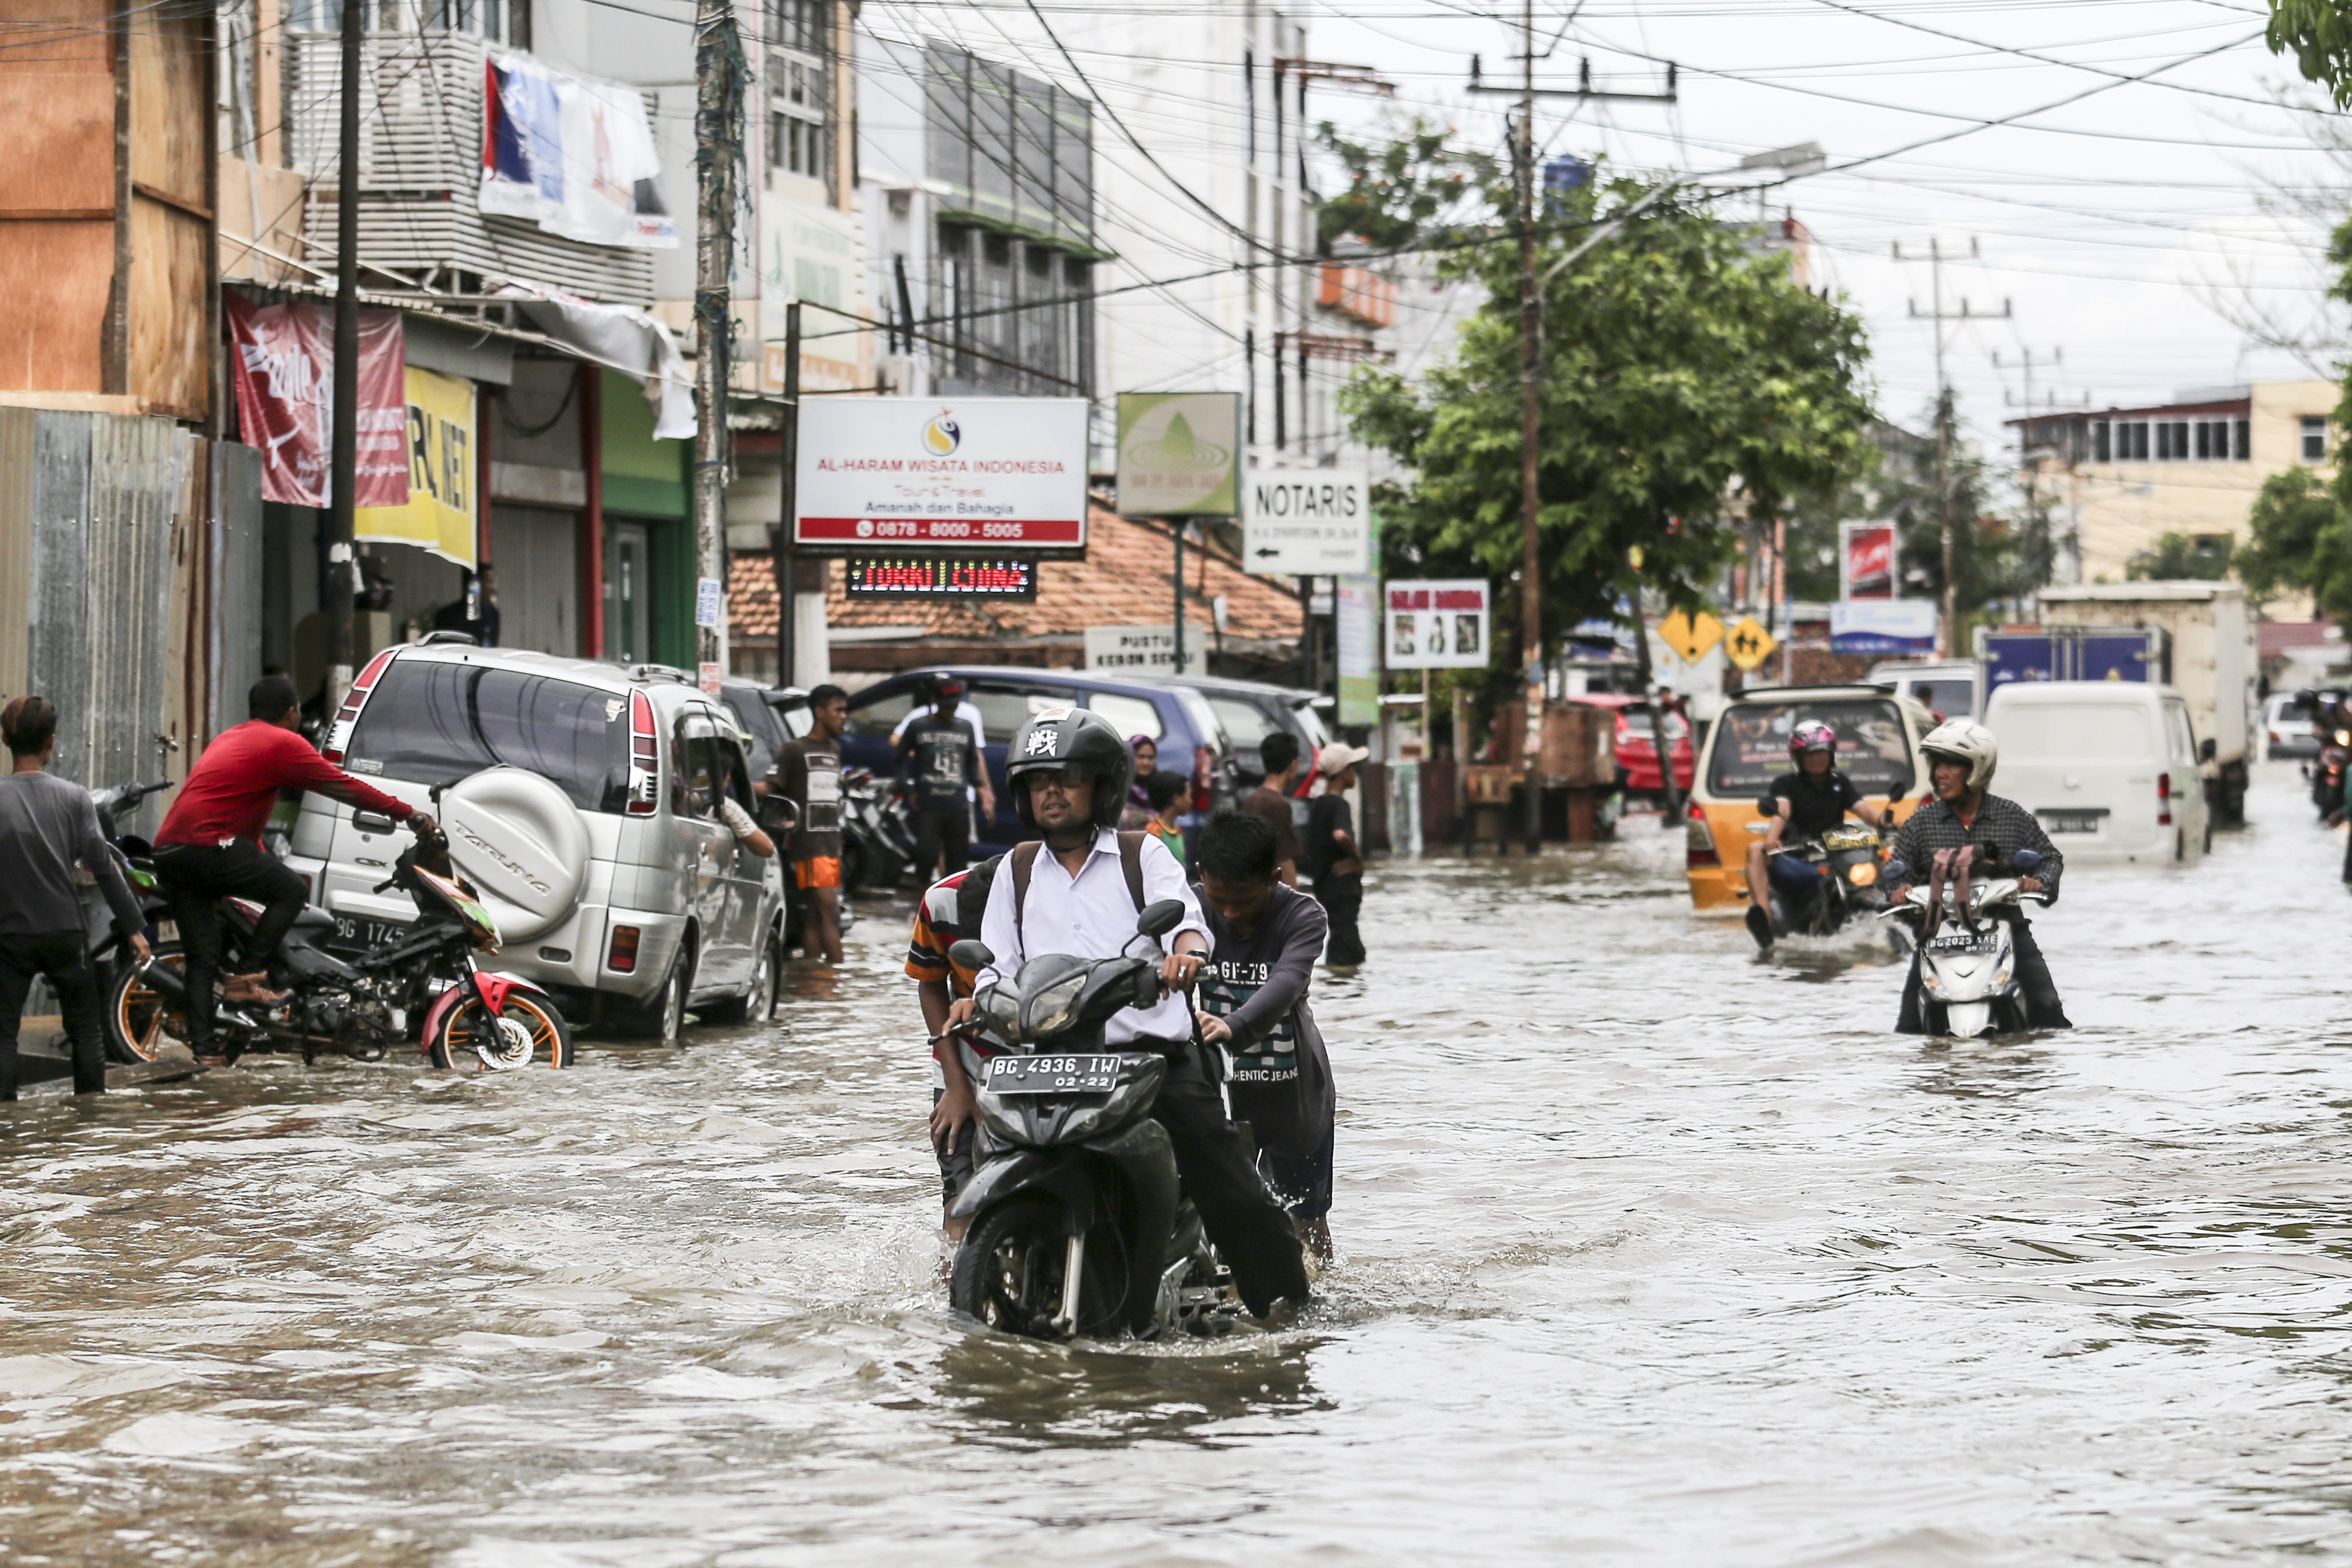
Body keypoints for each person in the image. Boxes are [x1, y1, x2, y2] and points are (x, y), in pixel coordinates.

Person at [953, 706, 1311, 1318]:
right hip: (1050, 1062)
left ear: (1102, 784)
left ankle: (1286, 1304)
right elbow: (996, 965)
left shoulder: (1138, 855)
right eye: (1040, 782)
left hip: (1149, 1060)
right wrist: (976, 995)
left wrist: (1184, 957)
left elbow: (1189, 925)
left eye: (1067, 778)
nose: (1053, 793)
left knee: (1229, 1187)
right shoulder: (1013, 872)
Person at [153, 674, 432, 1064]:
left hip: (171, 850)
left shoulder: (231, 737)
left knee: (203, 957)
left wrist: (262, 859)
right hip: (208, 846)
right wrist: (409, 813)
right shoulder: (284, 743)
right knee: (291, 891)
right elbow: (345, 787)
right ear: (292, 712)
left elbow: (242, 820)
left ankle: (206, 1053)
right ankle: (247, 978)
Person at [1192, 810, 1336, 1263]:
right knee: (1215, 1222)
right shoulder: (1189, 910)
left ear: (1274, 877)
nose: (1231, 914)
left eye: (1245, 901)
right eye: (1221, 901)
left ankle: (1320, 1301)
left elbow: (1287, 982)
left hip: (1294, 1099)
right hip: (1218, 1095)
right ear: (1202, 878)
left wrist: (1232, 1025)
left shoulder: (1302, 915)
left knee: (1307, 1220)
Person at [0, 698, 149, 1100]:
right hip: (66, 932)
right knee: (86, 1030)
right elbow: (104, 868)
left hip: (9, 935)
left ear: (4, 739)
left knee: (3, 1036)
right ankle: (89, 1125)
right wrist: (135, 927)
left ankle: (7, 1133)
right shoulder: (75, 797)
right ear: (51, 743)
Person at [1886, 718, 2071, 1032]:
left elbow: (2050, 858)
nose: (1940, 774)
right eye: (1936, 765)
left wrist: (2039, 882)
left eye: (1951, 766)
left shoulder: (2011, 816)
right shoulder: (1920, 822)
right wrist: (1897, 888)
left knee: (2049, 1016)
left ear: (1978, 769)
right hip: (1937, 934)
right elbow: (1895, 868)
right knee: (1908, 1029)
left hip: (2008, 931)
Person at [907, 851, 1004, 1240]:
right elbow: (930, 984)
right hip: (965, 1059)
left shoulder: (1059, 905)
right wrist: (957, 1086)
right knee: (961, 1196)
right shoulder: (940, 902)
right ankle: (954, 1295)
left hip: (1041, 1061)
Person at [1745, 718, 1889, 950]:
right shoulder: (1786, 784)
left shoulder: (1840, 782)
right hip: (1800, 861)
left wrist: (1889, 823)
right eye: (1810, 754)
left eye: (1821, 753)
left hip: (1837, 859)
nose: (1816, 758)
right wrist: (1773, 839)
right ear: (1798, 758)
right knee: (1755, 849)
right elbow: (1783, 809)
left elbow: (1864, 810)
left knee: (1886, 858)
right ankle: (1764, 919)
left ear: (1831, 754)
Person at [770, 683, 847, 962]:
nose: (843, 716)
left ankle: (815, 978)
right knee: (831, 913)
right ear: (819, 712)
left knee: (816, 916)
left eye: (844, 711)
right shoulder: (794, 749)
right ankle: (838, 979)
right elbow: (771, 786)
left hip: (831, 843)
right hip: (810, 845)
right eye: (838, 710)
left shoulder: (834, 749)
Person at [897, 678, 994, 881]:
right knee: (926, 856)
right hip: (928, 805)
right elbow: (899, 761)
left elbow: (972, 763)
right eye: (946, 705)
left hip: (958, 805)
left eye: (954, 706)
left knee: (957, 861)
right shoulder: (918, 726)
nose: (951, 710)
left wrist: (983, 792)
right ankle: (923, 905)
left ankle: (953, 906)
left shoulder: (965, 727)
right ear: (934, 701)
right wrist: (909, 790)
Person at [1301, 743, 1368, 967]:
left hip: (1324, 886)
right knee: (1347, 944)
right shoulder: (1339, 805)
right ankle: (1344, 984)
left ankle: (1340, 982)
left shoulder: (1318, 805)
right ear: (1342, 773)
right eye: (1352, 768)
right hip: (1342, 887)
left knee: (1342, 938)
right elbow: (1340, 835)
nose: (1355, 774)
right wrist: (1357, 858)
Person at [1240, 731, 1305, 887]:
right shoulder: (1278, 804)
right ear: (1293, 765)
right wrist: (1294, 902)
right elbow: (1285, 860)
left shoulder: (1252, 799)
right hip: (1270, 890)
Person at [1143, 769, 1190, 864]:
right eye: (1189, 796)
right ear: (1176, 799)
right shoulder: (1154, 832)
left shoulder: (1179, 832)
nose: (1190, 802)